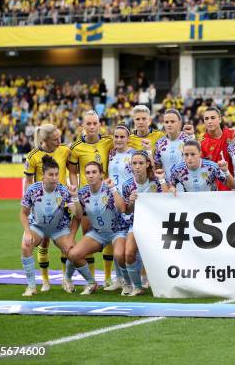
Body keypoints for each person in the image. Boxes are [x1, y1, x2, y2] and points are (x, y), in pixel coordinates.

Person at [20, 156, 81, 296]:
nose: (54, 178)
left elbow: (77, 214)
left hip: (59, 228)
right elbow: (23, 213)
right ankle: (31, 286)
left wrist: (75, 197)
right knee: (25, 245)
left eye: (56, 174)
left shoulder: (64, 191)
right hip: (38, 227)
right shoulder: (33, 190)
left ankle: (67, 279)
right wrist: (28, 232)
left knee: (73, 250)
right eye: (51, 174)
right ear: (43, 175)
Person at [64, 162, 128, 295]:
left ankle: (126, 283)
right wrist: (75, 197)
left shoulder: (109, 188)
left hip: (118, 231)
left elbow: (122, 209)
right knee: (74, 254)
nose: (91, 175)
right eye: (87, 173)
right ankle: (91, 283)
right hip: (98, 233)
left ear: (101, 174)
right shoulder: (82, 192)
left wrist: (113, 189)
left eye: (94, 172)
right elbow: (78, 215)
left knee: (119, 254)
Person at [68, 110, 114, 287]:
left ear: (100, 124)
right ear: (83, 126)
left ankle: (108, 278)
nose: (92, 126)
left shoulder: (108, 141)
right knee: (88, 235)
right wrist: (77, 192)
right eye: (89, 123)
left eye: (95, 123)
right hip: (87, 197)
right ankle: (93, 278)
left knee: (109, 233)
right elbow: (72, 172)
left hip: (106, 197)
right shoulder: (76, 147)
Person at [23, 124, 71, 291]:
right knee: (43, 244)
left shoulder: (65, 150)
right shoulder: (33, 156)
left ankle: (66, 279)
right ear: (44, 140)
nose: (60, 141)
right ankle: (45, 281)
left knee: (65, 245)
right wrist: (28, 204)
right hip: (41, 206)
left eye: (60, 137)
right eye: (55, 139)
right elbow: (28, 182)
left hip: (62, 204)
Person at [122, 151, 164, 296]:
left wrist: (164, 182)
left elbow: (168, 200)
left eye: (141, 163)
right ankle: (137, 286)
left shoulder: (156, 181)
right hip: (136, 224)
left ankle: (162, 282)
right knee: (128, 253)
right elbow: (127, 211)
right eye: (134, 163)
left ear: (147, 164)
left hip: (157, 224)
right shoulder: (127, 185)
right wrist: (131, 202)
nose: (137, 167)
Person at [105, 124, 136, 291]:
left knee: (131, 243)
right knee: (115, 240)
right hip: (113, 202)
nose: (118, 139)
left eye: (122, 137)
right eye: (116, 137)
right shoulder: (110, 155)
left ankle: (139, 278)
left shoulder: (133, 155)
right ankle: (119, 280)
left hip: (128, 202)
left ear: (128, 138)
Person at [162, 140, 235, 192]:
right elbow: (170, 188)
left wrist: (226, 171)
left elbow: (233, 186)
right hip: (191, 206)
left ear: (200, 154)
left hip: (211, 203)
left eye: (193, 154)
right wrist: (171, 188)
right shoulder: (178, 170)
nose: (189, 158)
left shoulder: (212, 167)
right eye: (186, 155)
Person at [200, 107, 235, 191]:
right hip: (217, 192)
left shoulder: (232, 134)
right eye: (206, 119)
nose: (209, 121)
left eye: (213, 118)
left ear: (219, 119)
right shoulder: (201, 142)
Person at [154, 109, 194, 180]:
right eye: (166, 122)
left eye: (172, 121)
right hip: (168, 188)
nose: (169, 124)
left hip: (187, 187)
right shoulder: (159, 143)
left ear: (179, 123)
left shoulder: (188, 140)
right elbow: (157, 167)